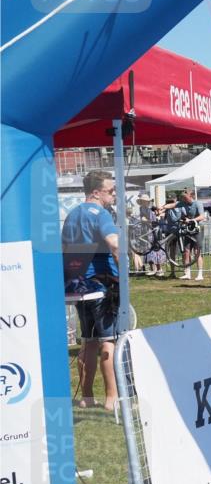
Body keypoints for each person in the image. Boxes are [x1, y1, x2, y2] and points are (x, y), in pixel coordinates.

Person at [62, 170, 122, 411]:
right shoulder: (102, 214)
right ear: (96, 192)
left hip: (77, 286)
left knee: (88, 341)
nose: (114, 195)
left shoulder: (72, 215)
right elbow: (115, 245)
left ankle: (87, 396)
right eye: (110, 191)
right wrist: (124, 270)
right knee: (109, 341)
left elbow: (65, 249)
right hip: (101, 285)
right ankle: (112, 397)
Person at [164, 189, 207, 281]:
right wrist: (162, 207)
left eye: (185, 196)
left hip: (198, 229)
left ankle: (200, 274)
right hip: (188, 229)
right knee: (186, 251)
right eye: (182, 197)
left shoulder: (198, 203)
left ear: (190, 196)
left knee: (197, 251)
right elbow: (172, 205)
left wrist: (191, 220)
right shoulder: (183, 203)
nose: (183, 198)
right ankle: (187, 273)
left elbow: (202, 216)